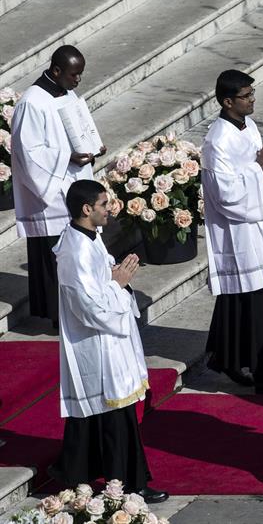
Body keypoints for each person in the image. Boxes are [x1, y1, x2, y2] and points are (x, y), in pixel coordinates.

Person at [49, 180, 167, 503]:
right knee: (116, 417)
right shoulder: (74, 252)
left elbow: (101, 286)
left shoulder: (90, 237)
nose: (109, 209)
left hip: (108, 341)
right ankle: (128, 485)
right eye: (104, 204)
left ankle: (76, 472)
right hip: (96, 345)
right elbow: (89, 308)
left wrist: (116, 280)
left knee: (104, 417)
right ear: (86, 209)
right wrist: (118, 284)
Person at [201, 69, 263, 394]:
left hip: (262, 224)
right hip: (241, 232)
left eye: (252, 93)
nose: (252, 100)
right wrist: (259, 165)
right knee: (258, 306)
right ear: (227, 101)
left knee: (246, 302)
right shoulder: (217, 142)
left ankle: (226, 358)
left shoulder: (248, 125)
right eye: (245, 96)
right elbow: (226, 194)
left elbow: (262, 169)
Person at [10, 45, 105, 327]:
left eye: (80, 74)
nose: (78, 80)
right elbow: (28, 153)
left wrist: (92, 146)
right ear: (56, 71)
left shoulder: (66, 93)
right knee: (57, 258)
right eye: (74, 74)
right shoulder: (32, 102)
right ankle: (59, 317)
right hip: (50, 195)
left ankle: (82, 309)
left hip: (74, 185)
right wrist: (67, 157)